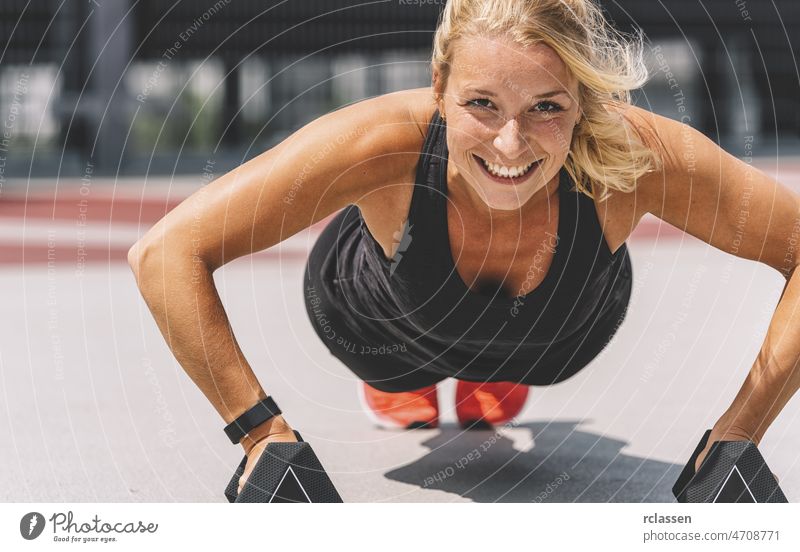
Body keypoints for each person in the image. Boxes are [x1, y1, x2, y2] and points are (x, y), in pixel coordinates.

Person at [129, 0, 800, 498]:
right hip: (383, 331)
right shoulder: (383, 140)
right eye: (482, 103)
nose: (511, 146)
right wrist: (260, 435)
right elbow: (165, 252)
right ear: (440, 87)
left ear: (583, 101)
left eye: (546, 108)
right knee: (400, 376)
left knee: (533, 338)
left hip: (552, 339)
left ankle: (496, 365)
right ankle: (422, 377)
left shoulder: (640, 154)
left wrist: (737, 434)